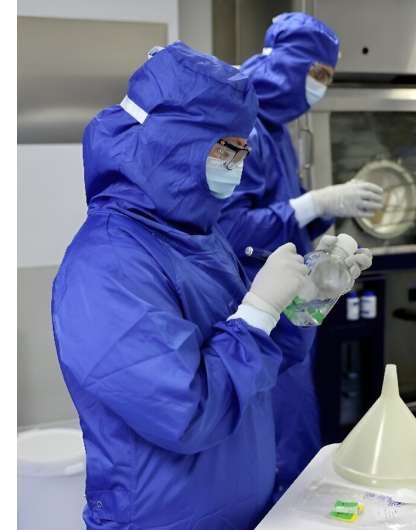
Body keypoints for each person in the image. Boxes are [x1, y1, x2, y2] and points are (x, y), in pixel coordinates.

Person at [52, 42, 309, 529]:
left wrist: (303, 305)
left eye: (243, 149)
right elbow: (186, 412)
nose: (238, 165)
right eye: (227, 149)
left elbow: (261, 367)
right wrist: (257, 310)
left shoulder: (198, 238)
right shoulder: (106, 266)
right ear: (174, 142)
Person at [218, 12, 380, 500]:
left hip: (290, 317)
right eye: (318, 74)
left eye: (329, 78)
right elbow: (231, 227)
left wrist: (325, 232)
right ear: (287, 64)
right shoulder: (236, 124)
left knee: (299, 445)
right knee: (274, 454)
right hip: (250, 312)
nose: (321, 88)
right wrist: (316, 202)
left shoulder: (278, 134)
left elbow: (283, 213)